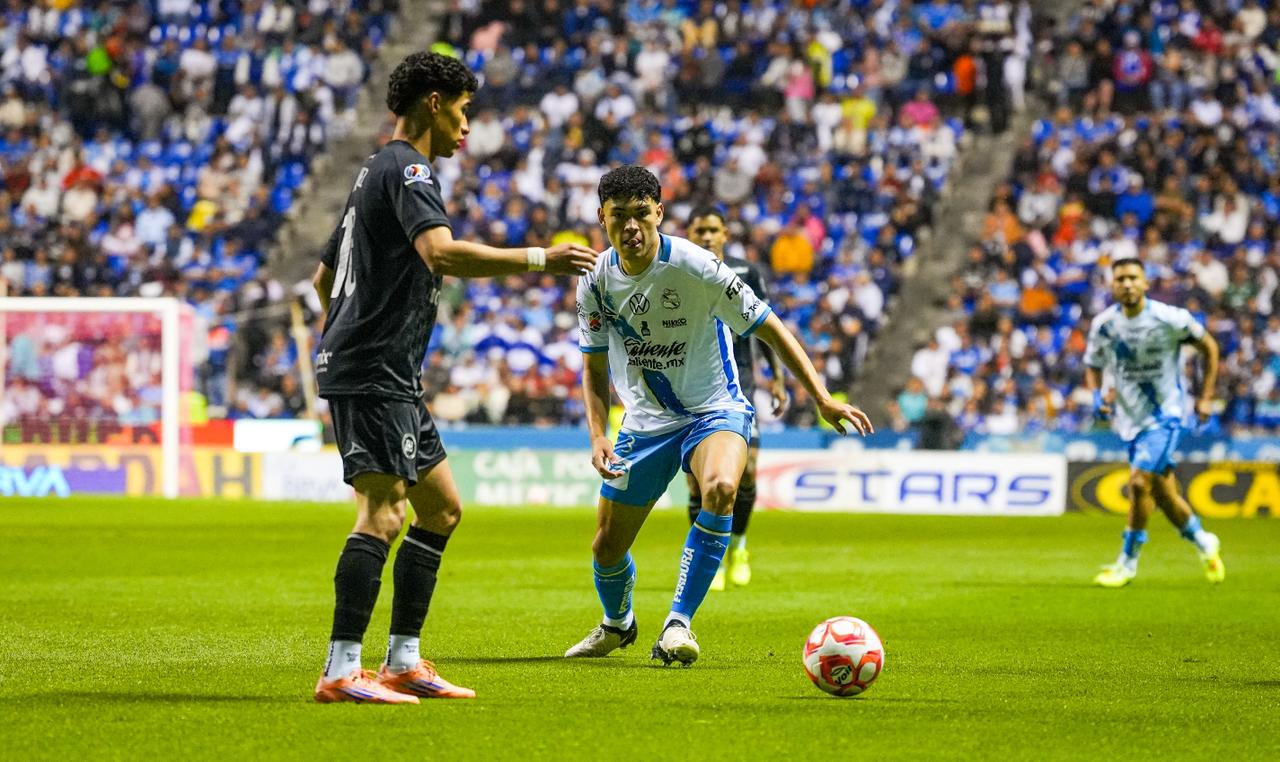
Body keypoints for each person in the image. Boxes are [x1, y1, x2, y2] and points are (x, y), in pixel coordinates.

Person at [309, 52, 597, 704]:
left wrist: (353, 327)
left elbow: (326, 278)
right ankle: (339, 670)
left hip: (387, 369)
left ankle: (403, 660)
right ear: (434, 103)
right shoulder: (407, 166)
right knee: (382, 515)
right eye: (463, 111)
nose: (468, 127)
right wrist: (538, 259)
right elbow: (438, 252)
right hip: (374, 368)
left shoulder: (370, 175)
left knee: (440, 509)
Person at [565, 166, 872, 666]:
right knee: (605, 548)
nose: (631, 227)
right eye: (618, 216)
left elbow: (770, 327)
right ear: (602, 218)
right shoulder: (594, 284)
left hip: (715, 407)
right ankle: (618, 625)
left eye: (642, 214)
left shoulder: (697, 266)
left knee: (723, 488)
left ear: (659, 213)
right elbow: (593, 368)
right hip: (644, 424)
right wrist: (599, 435)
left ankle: (677, 624)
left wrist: (821, 396)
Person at [1084, 258, 1224, 588]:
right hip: (1129, 420)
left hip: (1167, 416)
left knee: (1137, 483)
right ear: (1112, 286)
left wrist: (1205, 396)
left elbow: (1210, 347)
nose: (1128, 284)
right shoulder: (1104, 325)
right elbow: (1092, 364)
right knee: (1163, 495)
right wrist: (1095, 394)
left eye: (1134, 277)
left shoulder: (1169, 319)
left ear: (1146, 283)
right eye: (1121, 279)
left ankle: (1127, 562)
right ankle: (1204, 541)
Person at [683, 206, 787, 590]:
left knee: (747, 471)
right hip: (694, 386)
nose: (707, 237)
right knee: (698, 483)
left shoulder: (747, 273)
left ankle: (738, 547)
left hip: (741, 384)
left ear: (725, 233)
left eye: (713, 230)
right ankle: (707, 557)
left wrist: (777, 378)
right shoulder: (678, 271)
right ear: (690, 233)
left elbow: (767, 326)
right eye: (700, 230)